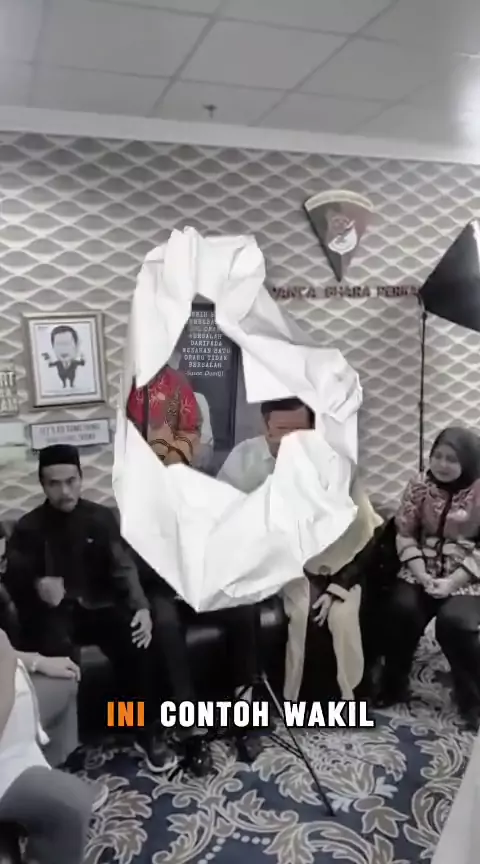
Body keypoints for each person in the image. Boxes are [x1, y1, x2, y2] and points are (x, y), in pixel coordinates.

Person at [3, 444, 176, 772]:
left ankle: (138, 728)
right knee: (58, 653)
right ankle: (68, 747)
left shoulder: (100, 518)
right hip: (53, 616)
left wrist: (141, 608)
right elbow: (13, 578)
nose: (65, 491)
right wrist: (37, 585)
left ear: (81, 479)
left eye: (71, 481)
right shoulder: (28, 528)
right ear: (43, 485)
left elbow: (123, 568)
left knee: (136, 641)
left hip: (98, 607)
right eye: (54, 484)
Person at [218, 398, 381, 703]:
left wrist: (338, 584)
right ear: (265, 426)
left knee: (339, 614)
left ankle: (344, 697)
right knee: (304, 610)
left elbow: (362, 529)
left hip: (332, 562)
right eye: (282, 429)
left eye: (300, 431)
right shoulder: (243, 459)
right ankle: (295, 698)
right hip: (272, 561)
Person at [378, 426, 480, 728]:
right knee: (401, 610)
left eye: (452, 459)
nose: (442, 465)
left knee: (455, 623)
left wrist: (453, 582)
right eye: (438, 456)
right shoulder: (420, 485)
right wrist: (422, 575)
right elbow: (405, 532)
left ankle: (471, 699)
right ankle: (393, 684)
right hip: (421, 569)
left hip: (467, 576)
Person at [0, 628, 97, 864]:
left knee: (65, 680)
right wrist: (6, 662)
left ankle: (45, 785)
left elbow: (5, 652)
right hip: (5, 754)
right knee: (73, 804)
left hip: (20, 716)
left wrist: (36, 661)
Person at [127, 354, 200, 466]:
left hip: (166, 466)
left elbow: (191, 430)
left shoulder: (177, 382)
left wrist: (172, 458)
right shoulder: (123, 381)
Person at [42, 325, 85, 389]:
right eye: (59, 345)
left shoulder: (74, 363)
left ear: (76, 346)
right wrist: (47, 358)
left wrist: (83, 357)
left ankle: (71, 385)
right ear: (53, 347)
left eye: (67, 344)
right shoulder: (58, 363)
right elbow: (50, 364)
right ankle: (64, 385)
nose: (63, 349)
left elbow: (82, 363)